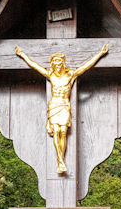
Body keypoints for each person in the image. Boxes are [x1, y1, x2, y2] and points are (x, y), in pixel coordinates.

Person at [15, 44, 109, 174]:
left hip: (65, 104)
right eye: (55, 62)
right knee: (56, 130)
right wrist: (22, 54)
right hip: (54, 104)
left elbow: (86, 66)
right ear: (53, 64)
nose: (57, 64)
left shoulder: (70, 75)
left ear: (63, 63)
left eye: (59, 61)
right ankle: (60, 162)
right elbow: (34, 66)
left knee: (63, 131)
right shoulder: (50, 75)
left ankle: (61, 160)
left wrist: (100, 54)